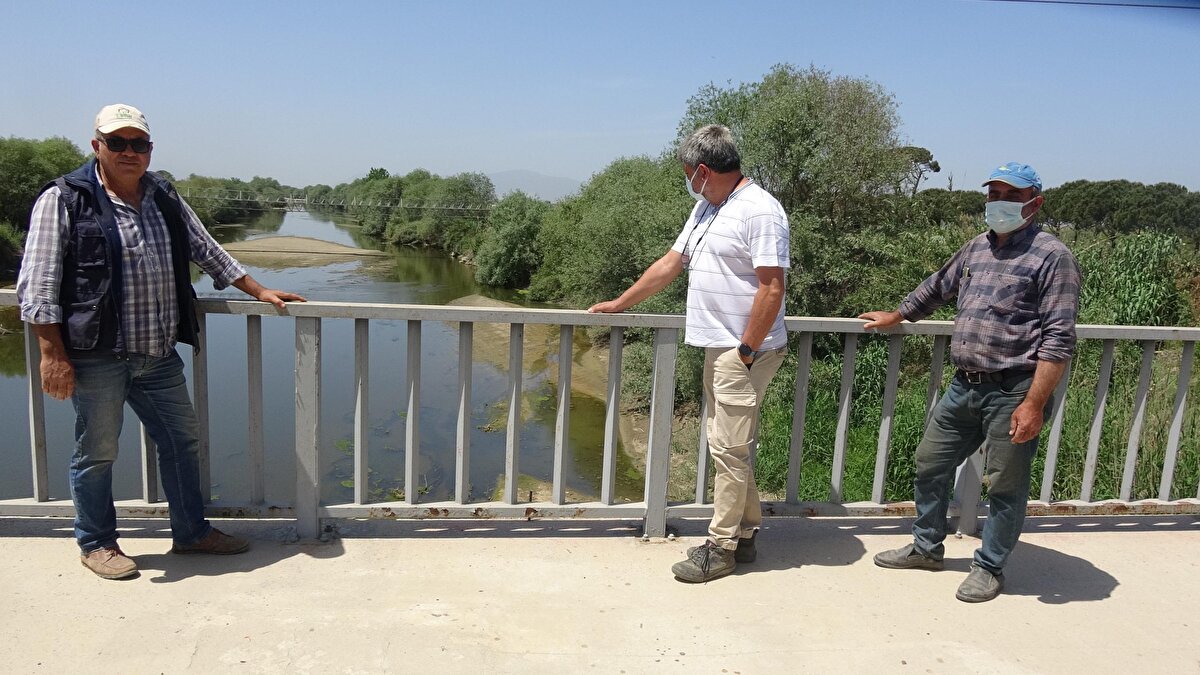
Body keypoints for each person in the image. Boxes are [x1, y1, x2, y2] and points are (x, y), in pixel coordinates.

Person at [17, 104, 307, 580]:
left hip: (157, 353)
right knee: (97, 453)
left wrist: (259, 290)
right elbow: (39, 284)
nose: (129, 152)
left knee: (181, 443)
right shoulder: (63, 198)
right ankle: (96, 543)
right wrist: (52, 354)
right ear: (97, 146)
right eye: (118, 142)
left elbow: (206, 249)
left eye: (139, 144)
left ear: (150, 150)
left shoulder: (162, 194)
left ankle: (192, 533)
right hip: (97, 356)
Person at [859, 162, 1081, 602]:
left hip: (1015, 389)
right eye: (993, 194)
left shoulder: (1053, 257)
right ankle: (926, 547)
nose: (999, 203)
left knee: (1005, 484)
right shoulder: (977, 247)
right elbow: (938, 286)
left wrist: (1034, 403)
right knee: (930, 462)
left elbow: (1058, 339)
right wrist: (898, 315)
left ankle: (990, 567)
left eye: (1011, 196)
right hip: (965, 384)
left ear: (1035, 203)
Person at [590, 125, 790, 583]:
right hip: (722, 348)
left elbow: (772, 287)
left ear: (702, 170)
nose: (688, 182)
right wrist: (621, 303)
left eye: (687, 174)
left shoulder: (761, 210)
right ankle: (745, 533)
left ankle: (720, 548)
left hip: (744, 351)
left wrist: (744, 351)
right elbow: (671, 264)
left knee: (728, 449)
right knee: (729, 445)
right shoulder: (707, 208)